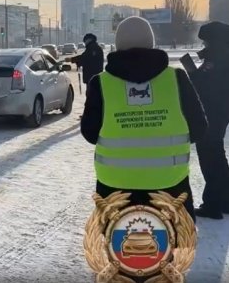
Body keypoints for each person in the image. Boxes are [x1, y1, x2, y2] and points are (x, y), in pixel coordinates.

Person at [80, 16, 207, 221]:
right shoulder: (177, 79)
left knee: (118, 248)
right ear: (152, 43)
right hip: (170, 188)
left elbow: (90, 133)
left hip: (115, 190)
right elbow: (199, 128)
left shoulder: (100, 84)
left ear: (118, 45)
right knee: (176, 247)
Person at [190, 21, 229, 219]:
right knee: (218, 157)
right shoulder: (222, 56)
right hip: (219, 114)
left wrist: (191, 73)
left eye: (205, 42)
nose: (204, 46)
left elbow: (204, 86)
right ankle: (225, 201)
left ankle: (212, 204)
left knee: (210, 159)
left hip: (211, 114)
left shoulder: (217, 60)